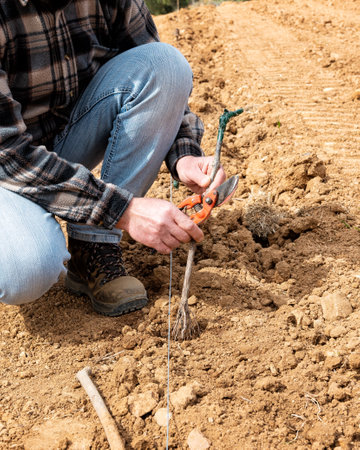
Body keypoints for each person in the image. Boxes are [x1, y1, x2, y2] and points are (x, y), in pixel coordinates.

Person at [0, 0, 225, 316]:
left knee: (166, 64)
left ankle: (93, 246)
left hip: (65, 138)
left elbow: (153, 72)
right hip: (7, 167)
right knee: (28, 270)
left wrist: (183, 155)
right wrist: (124, 211)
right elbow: (8, 153)